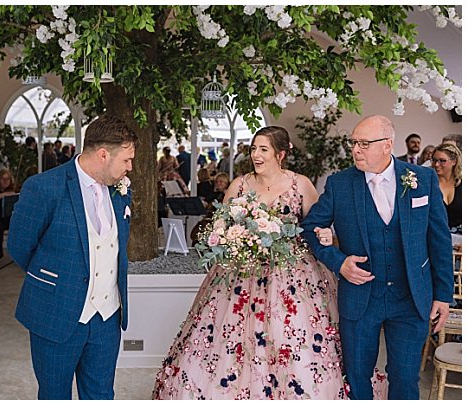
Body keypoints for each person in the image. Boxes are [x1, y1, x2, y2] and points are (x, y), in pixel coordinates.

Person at [153, 126, 348, 399]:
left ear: (281, 154)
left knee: (287, 334)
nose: (256, 154)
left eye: (263, 149)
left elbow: (316, 227)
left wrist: (326, 235)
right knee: (231, 337)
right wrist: (233, 239)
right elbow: (219, 228)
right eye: (253, 148)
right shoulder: (240, 185)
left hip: (292, 274)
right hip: (242, 272)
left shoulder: (300, 184)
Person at [300, 115, 453, 400]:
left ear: (388, 145)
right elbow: (310, 228)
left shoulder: (423, 179)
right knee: (357, 379)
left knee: (406, 380)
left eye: (364, 143)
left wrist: (443, 295)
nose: (356, 149)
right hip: (360, 299)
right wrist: (339, 262)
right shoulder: (340, 184)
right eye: (353, 143)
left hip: (411, 299)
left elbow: (439, 241)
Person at [9, 116, 135, 400]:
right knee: (55, 394)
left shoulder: (120, 191)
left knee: (101, 394)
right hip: (56, 313)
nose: (130, 168)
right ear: (103, 155)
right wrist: (56, 281)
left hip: (106, 317)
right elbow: (19, 246)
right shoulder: (44, 187)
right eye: (126, 160)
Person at [431, 144, 461, 231]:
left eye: (442, 161)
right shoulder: (428, 184)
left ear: (454, 162)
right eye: (434, 160)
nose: (436, 164)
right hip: (435, 235)